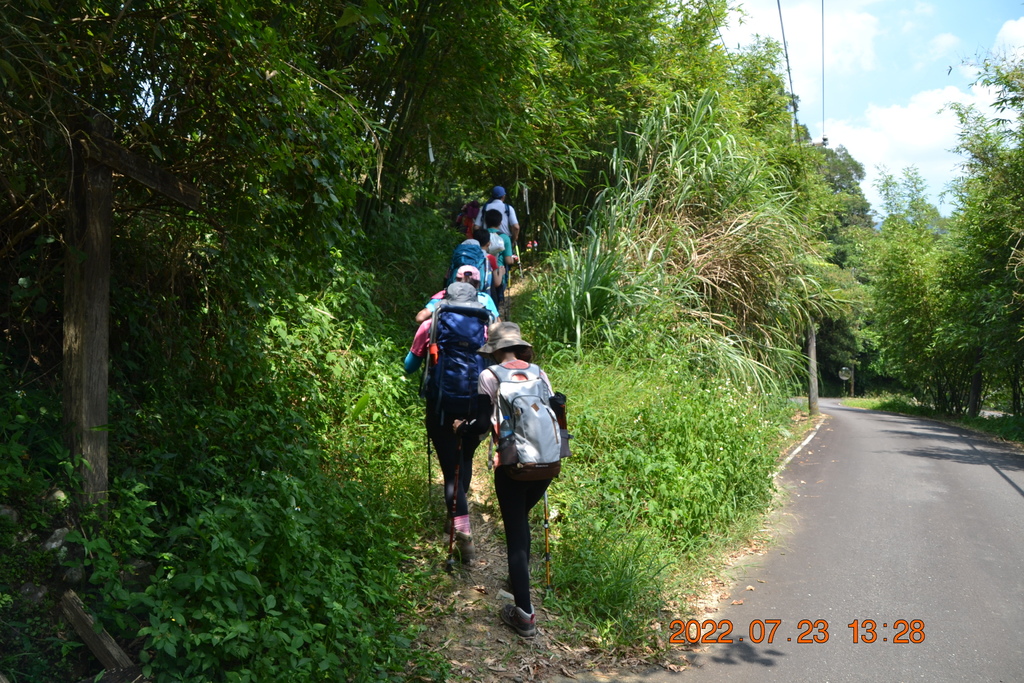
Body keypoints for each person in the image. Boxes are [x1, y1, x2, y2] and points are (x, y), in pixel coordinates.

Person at [454, 322, 555, 638]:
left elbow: (482, 425)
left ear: (494, 349)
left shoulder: (490, 376)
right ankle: (518, 579)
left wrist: (461, 428)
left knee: (515, 534)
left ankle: (523, 614)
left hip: (513, 466)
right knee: (520, 522)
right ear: (520, 347)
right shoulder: (539, 372)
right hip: (548, 464)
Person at [404, 282, 489, 563]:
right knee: (464, 458)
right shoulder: (484, 326)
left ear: (446, 300)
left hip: (442, 407)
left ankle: (462, 529)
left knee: (449, 469)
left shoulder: (433, 324)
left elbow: (410, 366)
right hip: (477, 406)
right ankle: (457, 512)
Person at [415, 265, 500, 324]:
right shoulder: (484, 298)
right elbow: (498, 323)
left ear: (455, 280)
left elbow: (420, 318)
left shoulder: (443, 296)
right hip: (477, 345)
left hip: (445, 344)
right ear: (478, 284)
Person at [484, 209, 517, 310]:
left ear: (485, 222)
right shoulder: (505, 238)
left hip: (483, 273)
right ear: (500, 222)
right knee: (495, 305)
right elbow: (508, 260)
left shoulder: (482, 235)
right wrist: (513, 259)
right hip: (499, 274)